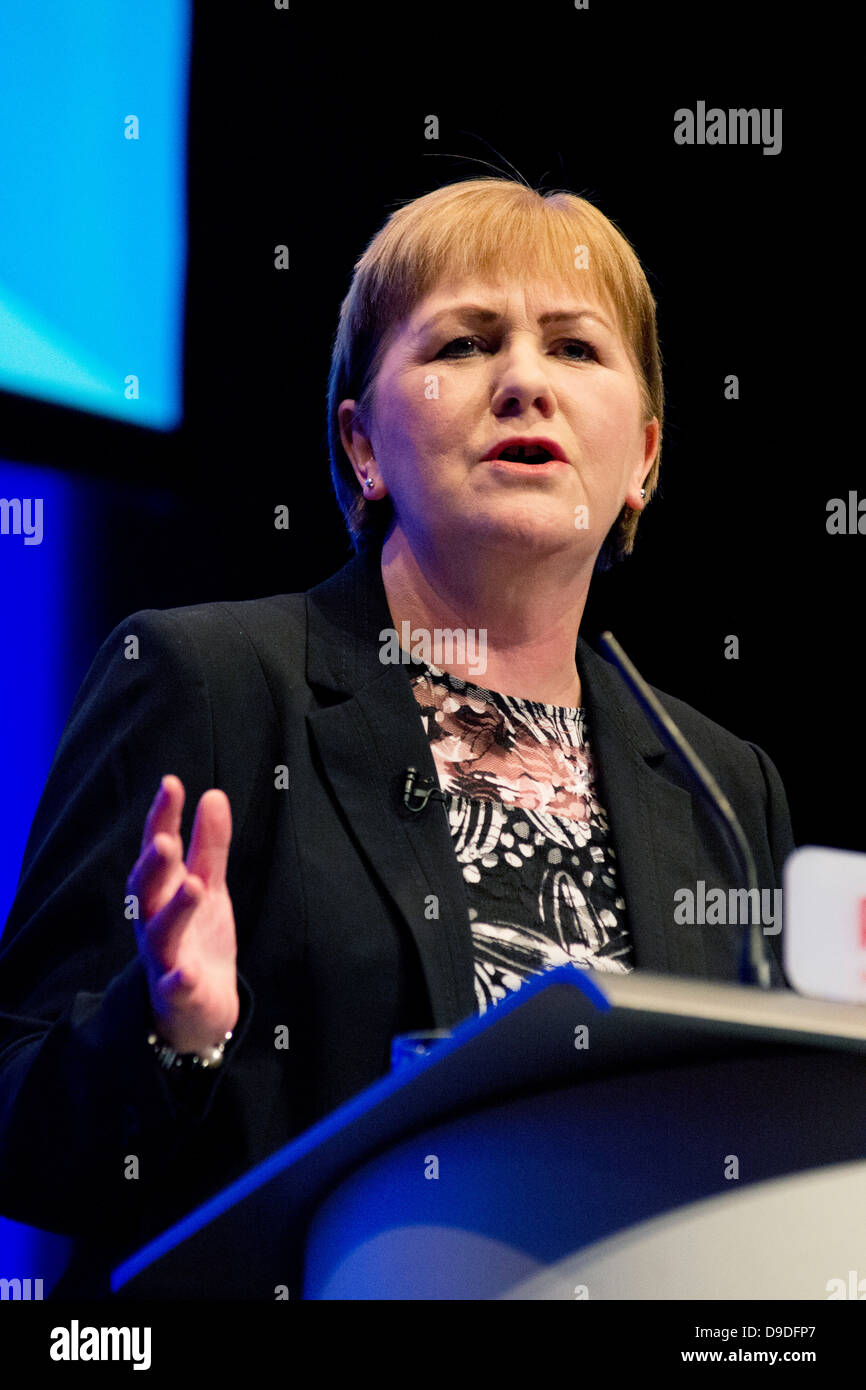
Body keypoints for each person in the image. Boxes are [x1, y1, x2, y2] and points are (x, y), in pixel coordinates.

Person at [0, 177, 795, 1297]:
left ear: (644, 463)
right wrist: (169, 1029)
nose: (523, 380)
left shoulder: (722, 785)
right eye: (466, 342)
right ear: (361, 443)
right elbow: (20, 1130)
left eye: (575, 348)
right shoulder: (211, 684)